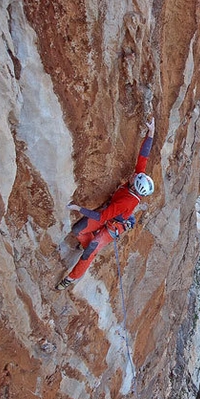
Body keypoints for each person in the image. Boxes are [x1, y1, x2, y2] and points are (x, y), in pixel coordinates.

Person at [55, 118, 155, 290]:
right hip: (111, 215)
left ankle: (71, 279)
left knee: (91, 250)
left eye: (134, 178)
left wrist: (78, 208)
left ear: (135, 186)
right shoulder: (137, 182)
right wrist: (151, 134)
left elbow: (101, 216)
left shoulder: (126, 201)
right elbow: (143, 157)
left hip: (114, 224)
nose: (133, 175)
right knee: (78, 230)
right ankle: (85, 244)